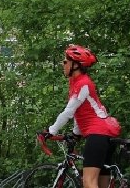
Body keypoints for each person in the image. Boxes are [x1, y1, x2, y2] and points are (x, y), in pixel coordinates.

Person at [40, 44, 121, 188]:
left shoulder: (83, 83)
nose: (62, 64)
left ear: (75, 65)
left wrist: (51, 131)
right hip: (102, 134)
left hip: (97, 133)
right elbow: (81, 112)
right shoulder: (76, 82)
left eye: (65, 61)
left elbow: (69, 112)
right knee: (99, 184)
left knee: (88, 182)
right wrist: (75, 134)